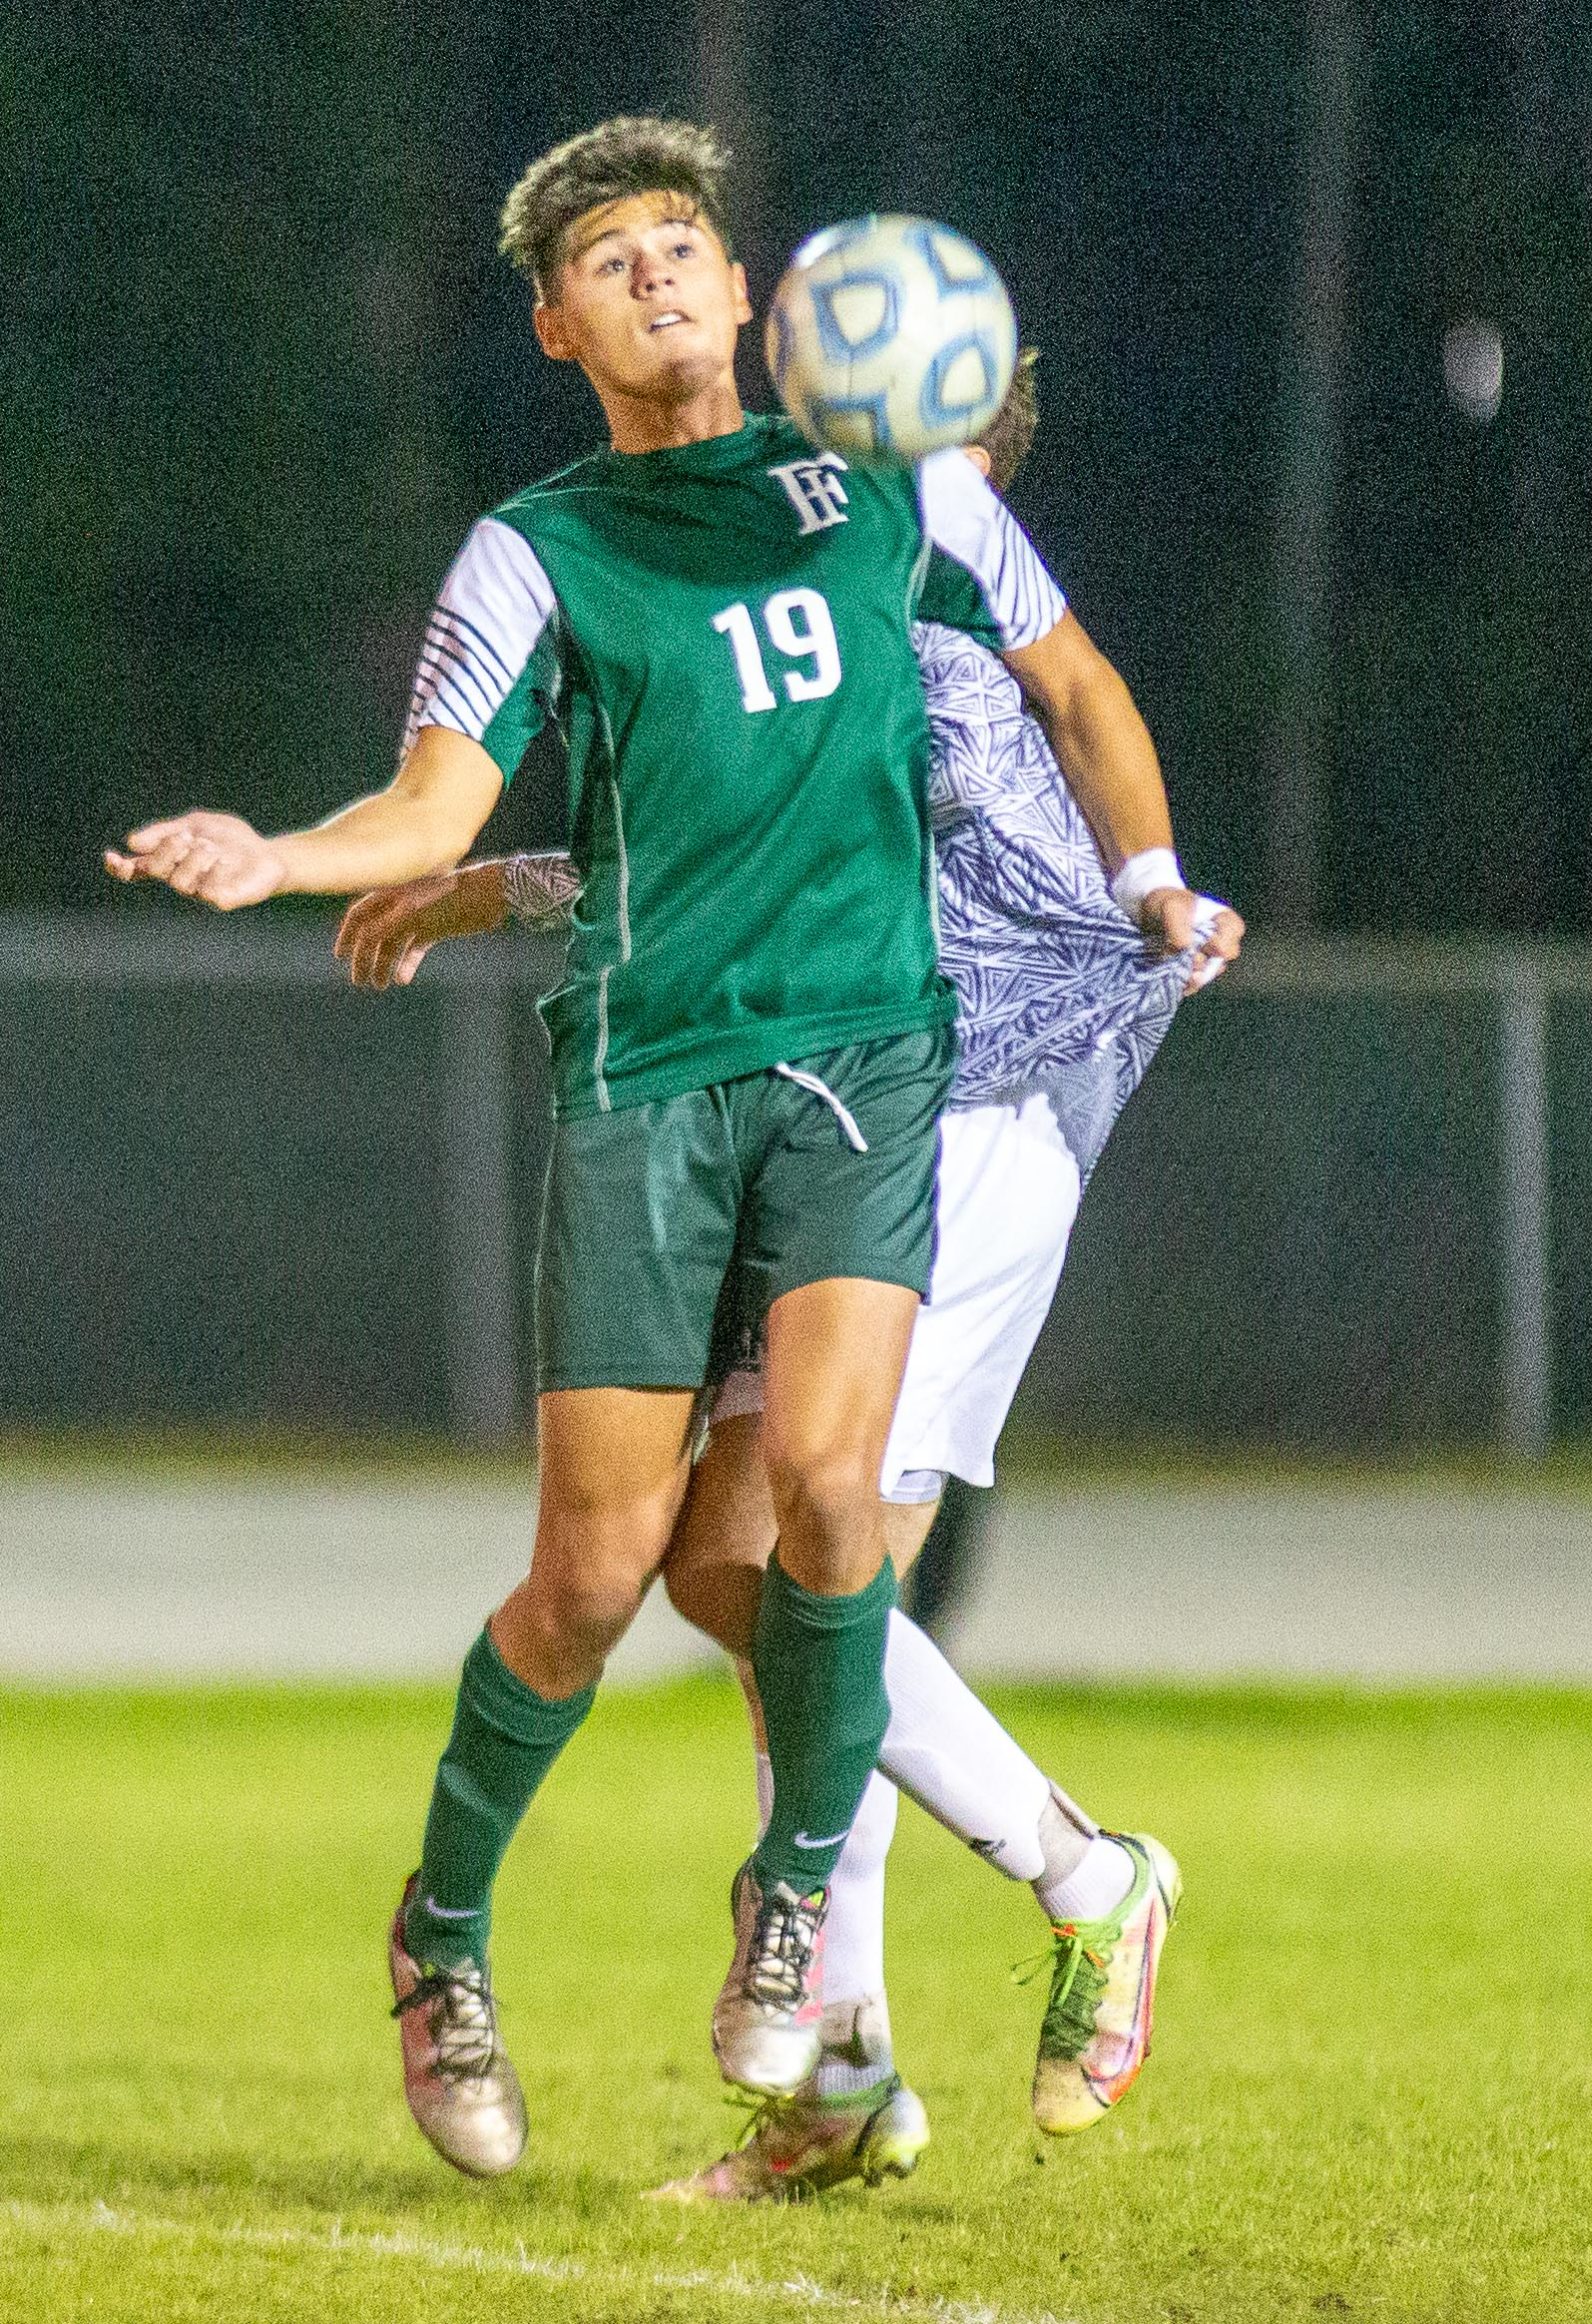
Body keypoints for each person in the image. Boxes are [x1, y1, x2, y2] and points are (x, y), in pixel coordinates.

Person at [102, 115, 1229, 2182]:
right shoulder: (568, 546)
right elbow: (670, 838)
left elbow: (1031, 760)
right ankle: (815, 2042)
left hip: (949, 1094)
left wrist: (1158, 889)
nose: (659, 274)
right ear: (554, 321)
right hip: (692, 1080)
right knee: (684, 1565)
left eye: (688, 241)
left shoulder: (895, 521)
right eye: (609, 257)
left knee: (815, 1521)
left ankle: (1030, 1907)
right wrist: (348, 864)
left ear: (765, 302)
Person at [338, 352, 1242, 2198]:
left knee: (795, 1578)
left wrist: (1154, 893)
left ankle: (1087, 1881)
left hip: (976, 1123)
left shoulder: (931, 630)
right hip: (863, 1116)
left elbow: (849, 857)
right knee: (752, 1589)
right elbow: (723, 864)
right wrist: (479, 890)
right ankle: (845, 2078)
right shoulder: (835, 606)